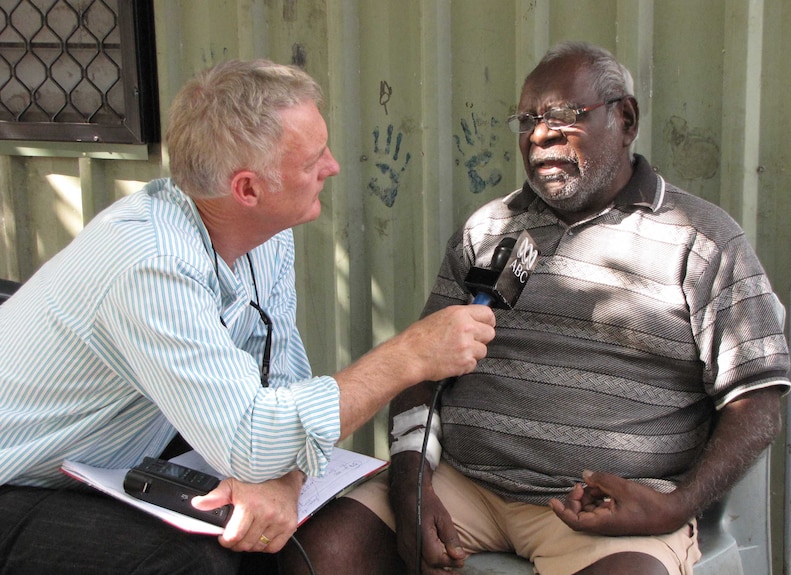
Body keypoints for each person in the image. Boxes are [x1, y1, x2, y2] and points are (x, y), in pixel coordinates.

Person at [283, 41, 791, 575]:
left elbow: (756, 401)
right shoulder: (488, 231)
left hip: (601, 508)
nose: (539, 136)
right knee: (323, 550)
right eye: (526, 120)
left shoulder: (702, 241)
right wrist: (412, 482)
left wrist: (678, 504)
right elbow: (421, 370)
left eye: (566, 117)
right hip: (465, 485)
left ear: (626, 118)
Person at [0, 59, 496, 575]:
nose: (333, 167)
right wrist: (411, 355)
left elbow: (279, 382)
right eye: (312, 160)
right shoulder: (151, 261)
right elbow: (253, 440)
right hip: (18, 477)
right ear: (248, 190)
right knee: (195, 562)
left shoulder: (264, 235)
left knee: (284, 534)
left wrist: (283, 481)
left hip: (108, 453)